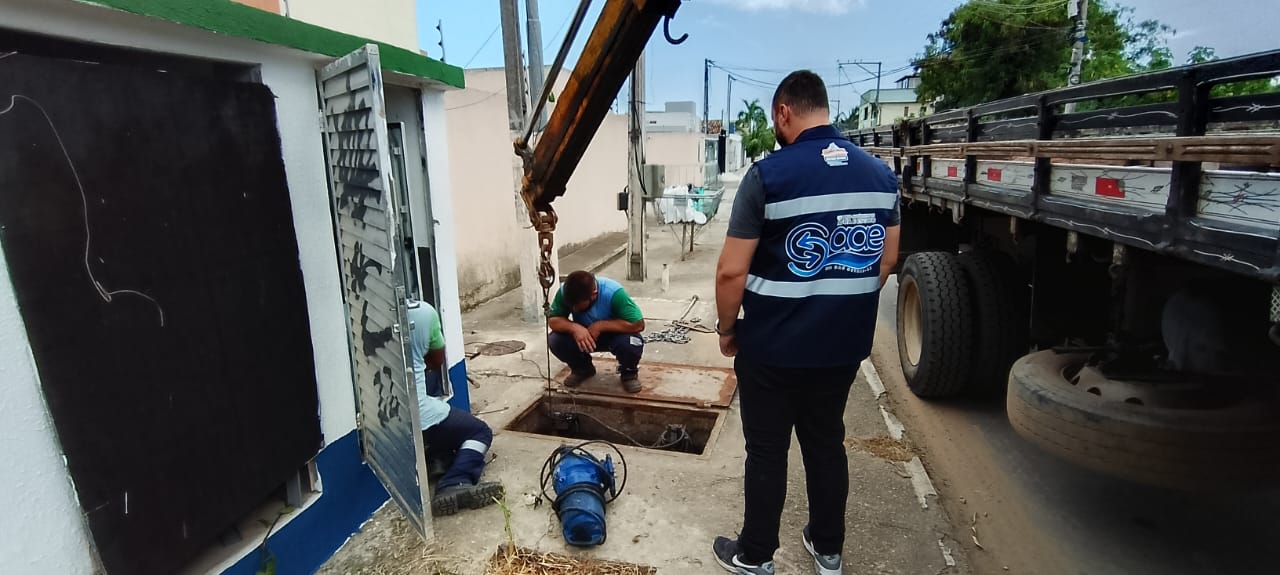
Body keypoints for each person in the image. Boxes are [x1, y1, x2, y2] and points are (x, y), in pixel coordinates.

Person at [710, 71, 901, 575]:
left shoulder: (767, 176)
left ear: (783, 113)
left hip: (772, 348)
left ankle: (755, 556)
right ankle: (827, 549)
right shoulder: (880, 176)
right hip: (840, 349)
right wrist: (838, 304)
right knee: (825, 444)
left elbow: (731, 270)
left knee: (768, 451)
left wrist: (728, 329)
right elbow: (885, 261)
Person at [406, 299, 504, 516]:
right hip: (415, 416)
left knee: (429, 382)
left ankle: (437, 458)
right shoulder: (422, 312)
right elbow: (436, 359)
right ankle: (455, 481)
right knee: (480, 432)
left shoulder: (358, 316)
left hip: (380, 417)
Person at [547, 270, 646, 392]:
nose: (574, 309)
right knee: (555, 340)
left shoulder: (613, 292)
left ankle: (628, 373)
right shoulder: (564, 292)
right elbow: (553, 320)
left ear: (594, 294)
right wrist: (575, 328)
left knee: (632, 343)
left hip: (616, 336)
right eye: (571, 305)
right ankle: (582, 369)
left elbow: (638, 324)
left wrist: (601, 326)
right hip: (585, 336)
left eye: (578, 305)